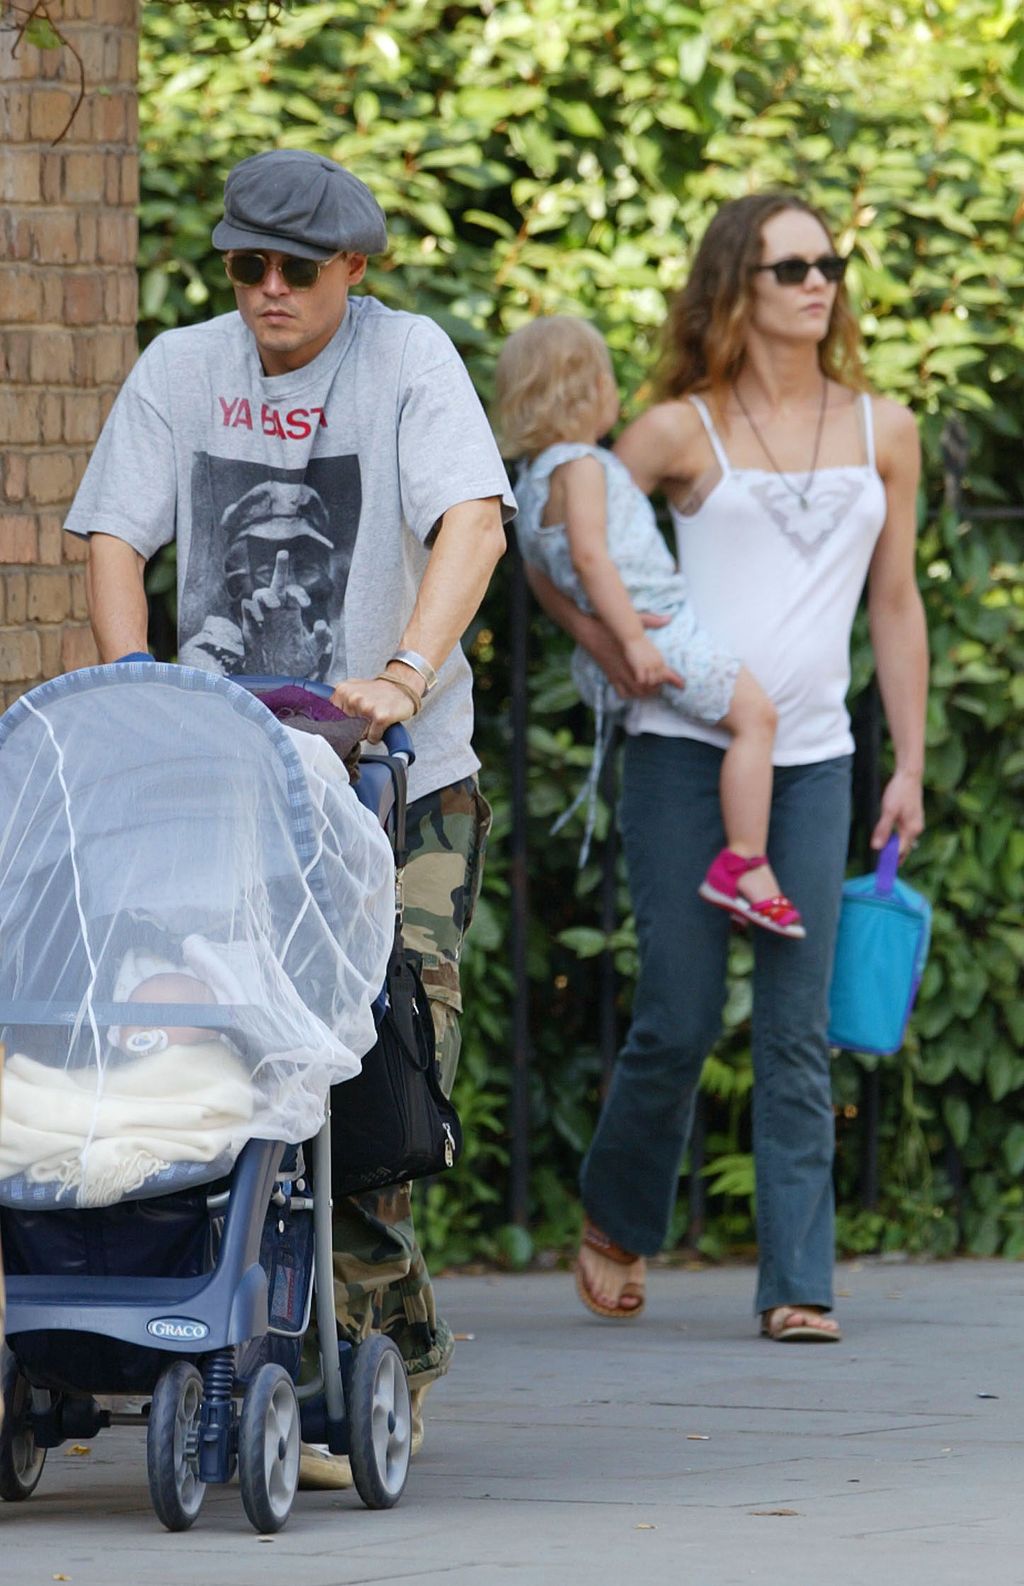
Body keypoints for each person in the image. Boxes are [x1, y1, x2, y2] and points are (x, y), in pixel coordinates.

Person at [65, 148, 514, 1476]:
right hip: (219, 786)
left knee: (380, 1058)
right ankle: (214, 1328)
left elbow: (475, 527)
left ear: (354, 273)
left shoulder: (406, 362)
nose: (265, 289)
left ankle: (380, 1349)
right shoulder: (180, 369)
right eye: (243, 264)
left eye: (294, 270)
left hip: (396, 780)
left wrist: (400, 676)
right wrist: (133, 685)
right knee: (201, 1043)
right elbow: (109, 538)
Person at [527, 194, 927, 1336]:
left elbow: (894, 605)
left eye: (829, 263)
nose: (818, 281)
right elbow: (554, 536)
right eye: (789, 264)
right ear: (735, 286)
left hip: (812, 763)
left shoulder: (881, 430)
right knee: (680, 1013)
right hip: (679, 756)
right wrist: (613, 648)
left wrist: (908, 759)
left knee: (797, 1027)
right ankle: (616, 1210)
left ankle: (797, 1282)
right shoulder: (674, 431)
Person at [496, 316, 803, 937]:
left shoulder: (531, 482)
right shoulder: (583, 466)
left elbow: (541, 575)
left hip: (638, 635)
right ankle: (744, 864)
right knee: (758, 719)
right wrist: (633, 643)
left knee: (746, 723)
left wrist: (599, 636)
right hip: (659, 634)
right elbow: (589, 556)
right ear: (584, 392)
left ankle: (742, 861)